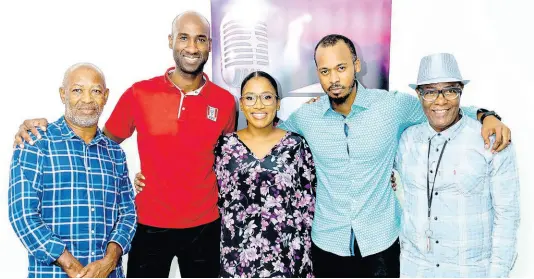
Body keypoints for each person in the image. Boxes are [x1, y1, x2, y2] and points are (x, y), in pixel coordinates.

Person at [12, 11, 236, 278]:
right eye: (183, 38)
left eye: (200, 39)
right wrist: (38, 126)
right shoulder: (139, 93)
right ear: (170, 41)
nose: (191, 47)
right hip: (149, 223)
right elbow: (96, 144)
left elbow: (228, 157)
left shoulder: (224, 102)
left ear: (210, 44)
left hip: (205, 225)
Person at [276, 34, 512, 278]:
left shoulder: (391, 106)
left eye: (341, 68)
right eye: (325, 71)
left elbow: (441, 109)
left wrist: (487, 116)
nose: (334, 79)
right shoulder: (307, 117)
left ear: (356, 65)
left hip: (381, 244)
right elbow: (272, 139)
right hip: (328, 243)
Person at [395, 53, 520, 277]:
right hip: (415, 269)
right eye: (430, 92)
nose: (440, 101)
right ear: (419, 94)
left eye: (450, 90)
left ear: (461, 91)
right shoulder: (406, 140)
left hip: (469, 271)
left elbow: (507, 216)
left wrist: (498, 274)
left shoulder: (491, 141)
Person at [8, 63, 137, 278]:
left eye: (95, 91)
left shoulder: (115, 154)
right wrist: (72, 268)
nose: (87, 99)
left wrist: (109, 261)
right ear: (63, 94)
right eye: (77, 90)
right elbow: (22, 215)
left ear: (105, 96)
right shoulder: (36, 144)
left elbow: (127, 213)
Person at [214, 71, 316, 277]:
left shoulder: (295, 145)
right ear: (241, 104)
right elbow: (207, 188)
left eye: (267, 97)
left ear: (277, 103)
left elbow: (309, 201)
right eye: (250, 98)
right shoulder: (225, 146)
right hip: (237, 259)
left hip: (288, 258)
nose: (258, 105)